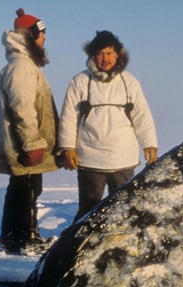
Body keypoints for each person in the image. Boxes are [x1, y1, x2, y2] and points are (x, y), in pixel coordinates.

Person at [59, 30, 158, 222]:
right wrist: (68, 147)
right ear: (93, 55)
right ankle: (81, 247)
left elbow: (142, 115)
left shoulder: (129, 82)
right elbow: (68, 118)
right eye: (101, 53)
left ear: (118, 54)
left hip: (123, 158)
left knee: (122, 209)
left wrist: (150, 144)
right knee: (88, 209)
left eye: (110, 53)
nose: (106, 59)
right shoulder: (80, 81)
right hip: (90, 159)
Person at [0, 8, 60, 254]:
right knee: (26, 188)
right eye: (41, 35)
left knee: (24, 187)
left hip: (25, 142)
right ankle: (23, 239)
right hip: (24, 144)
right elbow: (22, 107)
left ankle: (15, 237)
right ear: (30, 35)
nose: (44, 40)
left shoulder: (24, 64)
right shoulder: (22, 67)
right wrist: (32, 142)